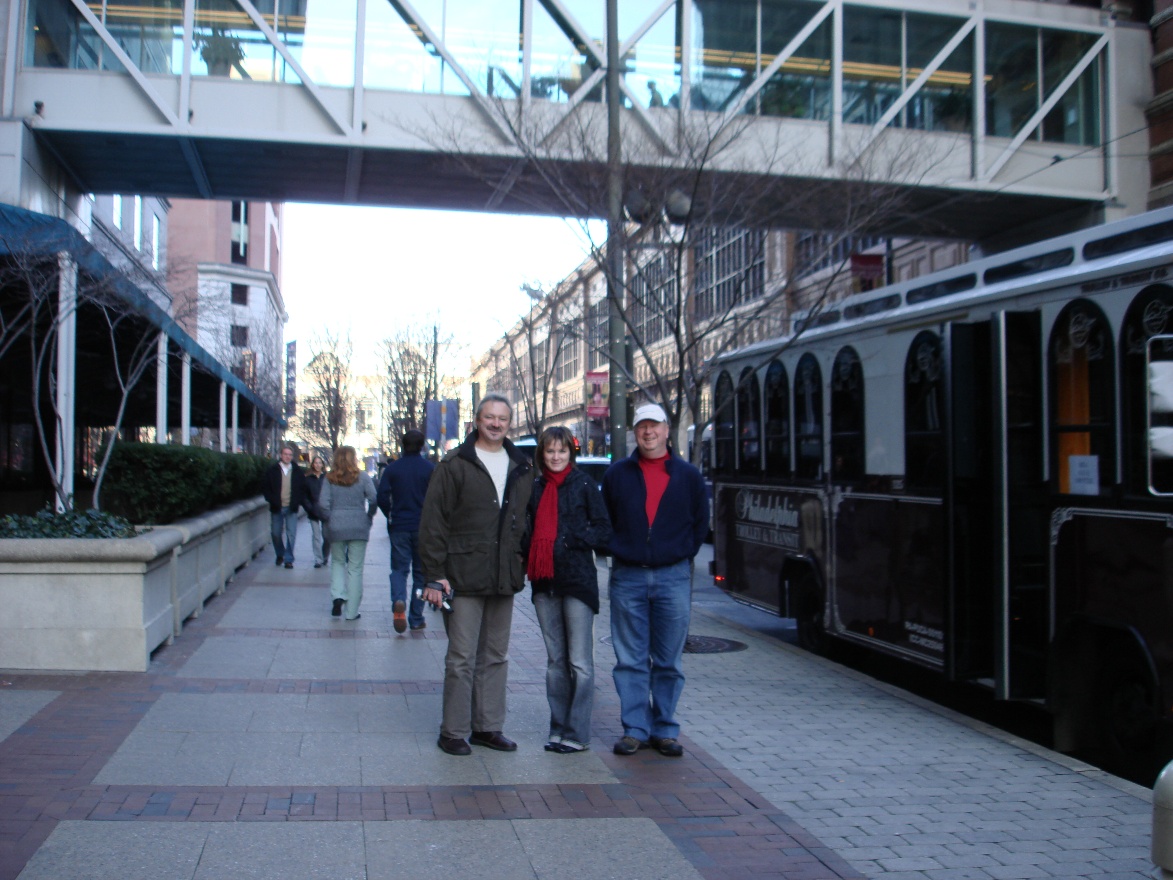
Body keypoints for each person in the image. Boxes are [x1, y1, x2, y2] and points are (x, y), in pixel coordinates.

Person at [419, 393, 533, 756]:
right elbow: (434, 522)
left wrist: (524, 560)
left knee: (496, 655)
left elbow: (524, 520)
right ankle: (453, 730)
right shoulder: (455, 464)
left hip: (503, 575)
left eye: (502, 418)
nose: (496, 423)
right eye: (489, 417)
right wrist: (434, 575)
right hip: (463, 575)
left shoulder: (521, 465)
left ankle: (488, 727)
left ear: (509, 422)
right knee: (462, 657)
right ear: (477, 420)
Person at [602, 402, 709, 758]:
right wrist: (620, 549)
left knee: (668, 660)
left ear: (666, 430)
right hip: (628, 576)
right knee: (630, 659)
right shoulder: (617, 474)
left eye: (655, 426)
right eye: (642, 426)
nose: (648, 432)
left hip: (672, 576)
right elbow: (607, 520)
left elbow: (700, 524)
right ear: (635, 432)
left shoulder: (688, 476)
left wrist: (678, 553)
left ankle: (664, 729)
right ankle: (635, 729)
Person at [523, 426, 612, 753]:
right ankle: (558, 728)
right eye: (550, 451)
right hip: (544, 582)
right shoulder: (534, 488)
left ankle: (577, 733)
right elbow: (526, 530)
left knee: (579, 662)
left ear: (570, 453)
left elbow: (604, 531)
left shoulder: (585, 484)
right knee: (555, 662)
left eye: (562, 450)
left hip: (577, 580)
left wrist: (572, 540)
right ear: (542, 455)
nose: (556, 456)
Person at [377, 429, 435, 633]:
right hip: (423, 527)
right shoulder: (429, 469)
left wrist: (390, 515)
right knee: (421, 574)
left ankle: (398, 599)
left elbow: (382, 496)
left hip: (399, 525)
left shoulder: (393, 469)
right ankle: (416, 616)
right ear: (422, 446)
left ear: (402, 445)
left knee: (399, 569)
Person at [319, 445, 377, 621]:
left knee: (337, 562)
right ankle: (352, 612)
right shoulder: (363, 477)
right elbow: (374, 498)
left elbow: (323, 504)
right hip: (359, 525)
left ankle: (338, 595)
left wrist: (329, 519)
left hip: (336, 526)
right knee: (355, 568)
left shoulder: (329, 479)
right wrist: (368, 517)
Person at [261, 442, 306, 569]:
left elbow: (302, 488)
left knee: (291, 533)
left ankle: (289, 559)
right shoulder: (272, 470)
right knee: (275, 533)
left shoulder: (297, 471)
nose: (287, 457)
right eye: (285, 454)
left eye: (290, 455)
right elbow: (265, 487)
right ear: (281, 455)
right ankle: (280, 553)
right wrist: (271, 500)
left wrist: (297, 501)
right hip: (277, 507)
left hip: (291, 507)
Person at [303, 454, 331, 569]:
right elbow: (304, 496)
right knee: (316, 536)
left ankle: (324, 556)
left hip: (325, 511)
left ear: (323, 465)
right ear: (312, 464)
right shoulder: (308, 479)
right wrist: (309, 508)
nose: (318, 465)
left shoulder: (327, 478)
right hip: (313, 511)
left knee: (327, 536)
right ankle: (318, 559)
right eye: (316, 463)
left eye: (320, 463)